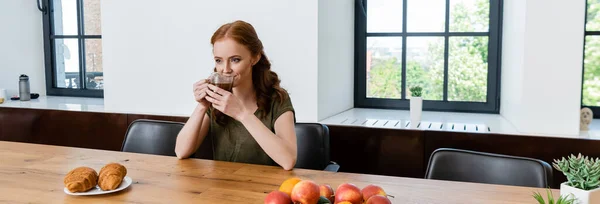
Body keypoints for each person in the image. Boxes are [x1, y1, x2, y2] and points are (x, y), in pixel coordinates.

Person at [175, 20, 297, 170]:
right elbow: (181, 152)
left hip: (266, 190)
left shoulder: (277, 98)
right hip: (222, 189)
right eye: (219, 61)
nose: (225, 69)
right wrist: (202, 106)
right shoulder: (216, 98)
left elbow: (288, 160)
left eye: (235, 60)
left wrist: (242, 114)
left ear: (255, 58)